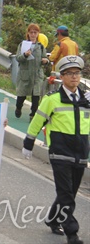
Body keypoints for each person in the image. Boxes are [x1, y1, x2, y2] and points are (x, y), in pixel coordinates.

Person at [22, 56, 88, 244]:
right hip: (59, 153)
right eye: (69, 74)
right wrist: (29, 142)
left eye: (77, 73)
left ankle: (53, 219)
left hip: (81, 154)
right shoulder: (52, 99)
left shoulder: (86, 100)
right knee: (66, 193)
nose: (74, 77)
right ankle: (72, 234)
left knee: (70, 193)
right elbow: (37, 120)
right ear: (62, 76)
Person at [15, 24, 49, 120]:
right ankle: (18, 107)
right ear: (28, 33)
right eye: (31, 32)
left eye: (35, 32)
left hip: (37, 75)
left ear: (38, 34)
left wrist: (45, 61)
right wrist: (25, 55)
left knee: (36, 96)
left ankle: (33, 114)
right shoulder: (23, 45)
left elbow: (45, 58)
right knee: (22, 95)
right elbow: (18, 58)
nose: (33, 34)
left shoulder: (41, 46)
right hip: (25, 74)